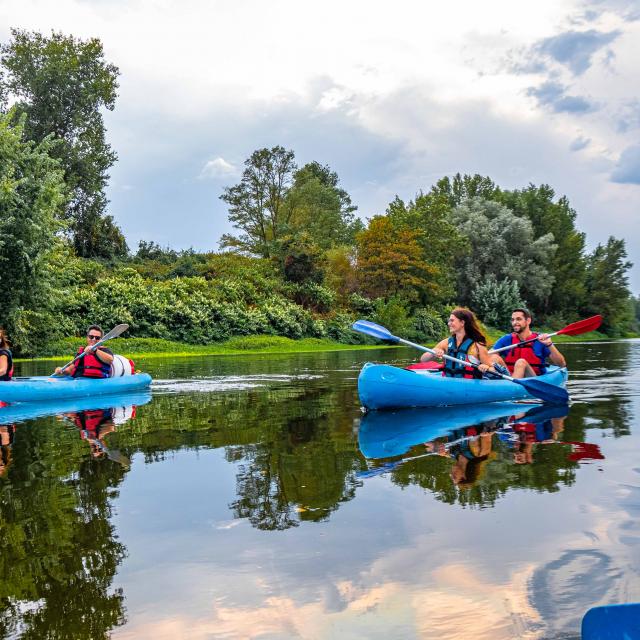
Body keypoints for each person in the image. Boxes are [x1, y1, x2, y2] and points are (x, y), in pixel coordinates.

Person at [420, 307, 496, 378]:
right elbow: (423, 359)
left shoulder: (477, 345)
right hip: (447, 382)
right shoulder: (446, 342)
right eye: (449, 320)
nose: (448, 323)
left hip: (469, 386)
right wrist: (433, 352)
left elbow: (492, 369)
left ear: (462, 323)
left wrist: (486, 367)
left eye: (452, 320)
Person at [491, 308, 566, 379]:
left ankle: (512, 388)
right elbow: (491, 356)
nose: (514, 322)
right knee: (494, 356)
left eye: (519, 319)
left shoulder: (540, 339)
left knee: (521, 362)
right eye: (513, 320)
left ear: (528, 321)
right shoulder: (506, 339)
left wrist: (549, 344)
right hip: (510, 376)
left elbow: (561, 364)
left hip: (534, 378)